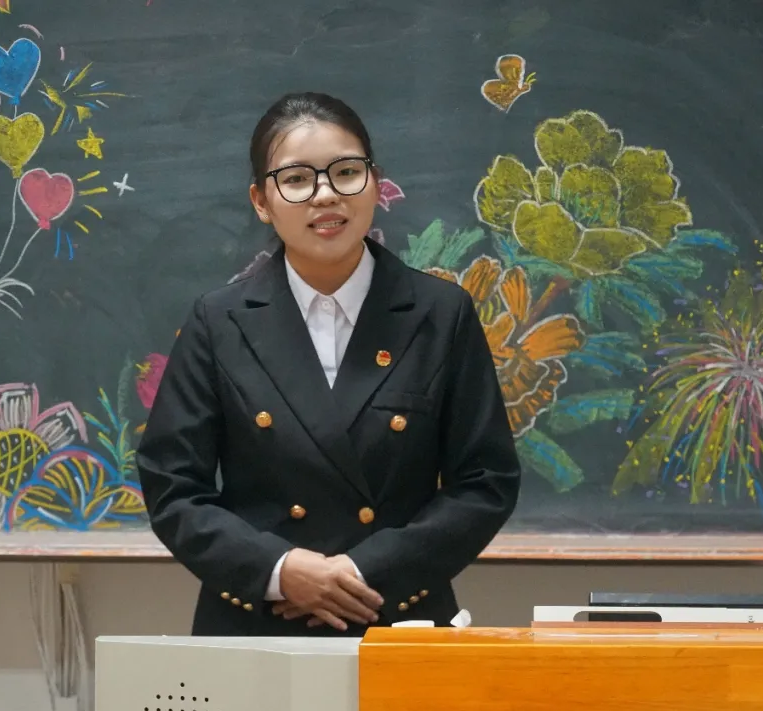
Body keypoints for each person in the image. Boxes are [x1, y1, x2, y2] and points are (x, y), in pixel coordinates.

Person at [135, 91, 521, 637]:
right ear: (261, 201)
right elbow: (173, 487)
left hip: (395, 618)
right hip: (259, 625)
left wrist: (365, 572)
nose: (325, 195)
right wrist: (279, 571)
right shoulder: (218, 322)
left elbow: (485, 481)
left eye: (346, 172)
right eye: (296, 179)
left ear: (375, 183)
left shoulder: (441, 314)